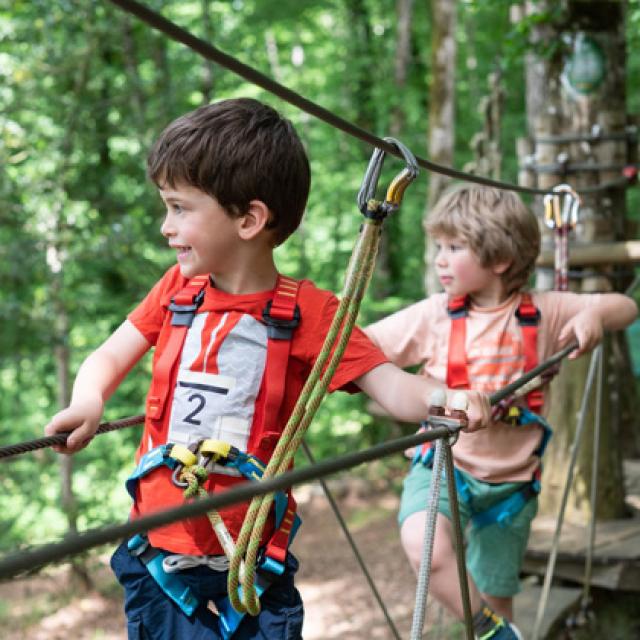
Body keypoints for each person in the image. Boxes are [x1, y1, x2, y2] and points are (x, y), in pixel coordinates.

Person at [44, 99, 490, 640]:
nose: (166, 227)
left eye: (180, 208)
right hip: (159, 556)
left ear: (249, 219)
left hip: (253, 565)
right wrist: (90, 399)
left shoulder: (310, 313)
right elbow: (109, 355)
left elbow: (392, 388)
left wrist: (448, 395)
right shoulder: (175, 292)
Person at [364, 183, 638, 640]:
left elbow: (625, 306)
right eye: (438, 246)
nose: (439, 259)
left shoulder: (545, 312)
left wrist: (594, 316)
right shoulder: (434, 315)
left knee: (496, 592)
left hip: (511, 488)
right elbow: (363, 346)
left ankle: (493, 625)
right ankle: (489, 628)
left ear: (500, 260)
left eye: (454, 247)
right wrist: (409, 390)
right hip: (444, 467)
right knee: (426, 546)